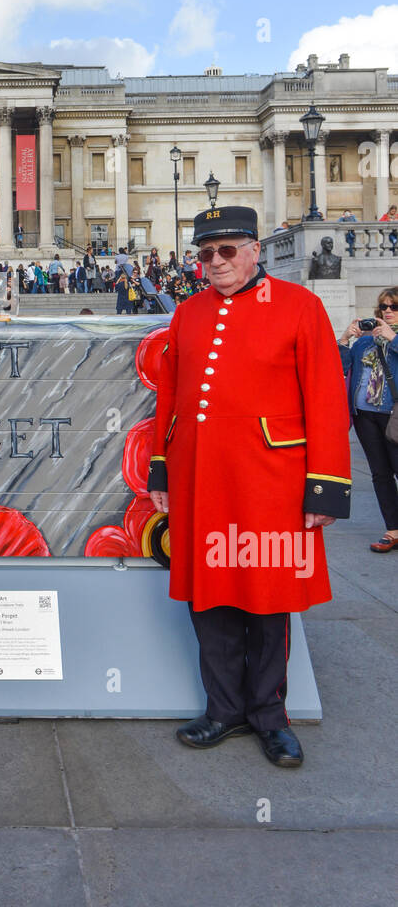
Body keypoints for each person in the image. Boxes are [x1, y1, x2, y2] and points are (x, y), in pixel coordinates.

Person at [148, 206, 351, 768]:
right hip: (201, 479)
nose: (215, 262)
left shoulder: (300, 306)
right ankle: (223, 709)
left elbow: (326, 400)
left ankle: (269, 715)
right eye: (205, 253)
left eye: (227, 250)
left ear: (255, 250)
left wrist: (326, 487)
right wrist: (160, 469)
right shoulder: (187, 312)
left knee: (267, 599)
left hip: (271, 481)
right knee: (207, 598)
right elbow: (170, 399)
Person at [338, 288, 398, 551]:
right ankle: (393, 530)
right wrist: (344, 340)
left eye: (394, 306)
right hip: (365, 416)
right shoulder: (365, 341)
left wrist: (393, 339)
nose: (387, 310)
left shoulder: (392, 337)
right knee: (380, 474)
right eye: (384, 306)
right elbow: (337, 368)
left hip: (393, 415)